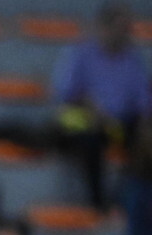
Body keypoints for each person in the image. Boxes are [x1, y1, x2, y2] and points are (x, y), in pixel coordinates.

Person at [53, 1, 150, 209]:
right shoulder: (81, 53)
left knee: (144, 142)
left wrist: (144, 124)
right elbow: (66, 92)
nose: (125, 33)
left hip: (117, 124)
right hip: (85, 120)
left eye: (128, 28)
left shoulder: (132, 59)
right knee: (90, 139)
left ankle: (127, 200)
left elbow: (143, 101)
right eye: (121, 28)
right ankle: (97, 203)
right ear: (104, 27)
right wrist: (90, 107)